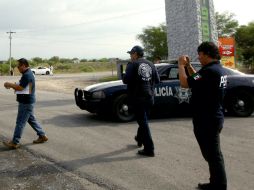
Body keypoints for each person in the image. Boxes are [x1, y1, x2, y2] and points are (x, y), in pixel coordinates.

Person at [178, 42, 227, 190]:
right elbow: (197, 77)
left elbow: (185, 83)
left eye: (199, 55)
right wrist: (188, 67)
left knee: (213, 155)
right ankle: (215, 183)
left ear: (206, 54)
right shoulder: (216, 69)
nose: (198, 58)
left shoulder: (209, 72)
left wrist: (180, 66)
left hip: (207, 119)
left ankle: (219, 185)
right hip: (213, 116)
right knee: (212, 155)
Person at [123, 45, 160, 157]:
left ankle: (149, 149)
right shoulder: (151, 64)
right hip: (149, 98)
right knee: (143, 120)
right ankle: (139, 139)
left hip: (138, 98)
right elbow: (157, 80)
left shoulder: (132, 64)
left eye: (131, 54)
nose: (130, 56)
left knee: (143, 122)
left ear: (135, 54)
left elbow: (125, 80)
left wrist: (126, 74)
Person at [3, 58, 48, 149]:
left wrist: (9, 84)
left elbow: (20, 88)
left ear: (23, 65)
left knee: (20, 122)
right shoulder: (28, 73)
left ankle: (15, 142)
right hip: (28, 101)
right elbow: (23, 86)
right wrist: (13, 86)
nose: (17, 68)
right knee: (31, 120)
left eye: (18, 66)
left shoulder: (27, 75)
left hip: (26, 102)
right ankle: (42, 136)